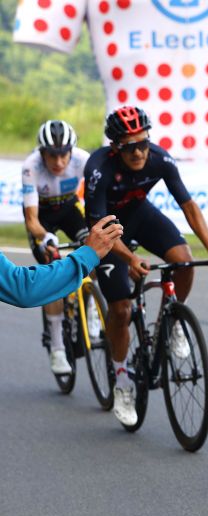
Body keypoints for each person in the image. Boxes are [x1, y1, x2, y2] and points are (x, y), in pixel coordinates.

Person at [85, 105, 208, 429]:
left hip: (139, 216)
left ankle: (174, 319)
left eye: (143, 143)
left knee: (184, 260)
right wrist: (130, 259)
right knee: (121, 310)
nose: (138, 152)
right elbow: (98, 226)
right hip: (105, 229)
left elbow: (188, 205)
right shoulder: (99, 169)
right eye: (130, 146)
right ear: (115, 147)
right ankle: (122, 381)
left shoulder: (160, 159)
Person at [21, 120, 91, 374]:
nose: (59, 162)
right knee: (52, 272)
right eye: (52, 155)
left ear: (72, 151)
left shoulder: (83, 159)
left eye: (64, 155)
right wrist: (47, 238)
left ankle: (92, 308)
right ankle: (58, 347)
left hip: (70, 208)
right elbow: (31, 220)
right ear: (42, 153)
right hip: (42, 215)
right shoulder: (31, 167)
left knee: (94, 250)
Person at [1, 217, 122, 308]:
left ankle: (91, 305)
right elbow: (22, 288)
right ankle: (55, 337)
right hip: (43, 216)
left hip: (68, 209)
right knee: (47, 258)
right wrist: (88, 254)